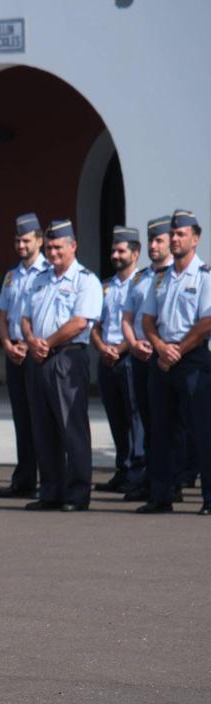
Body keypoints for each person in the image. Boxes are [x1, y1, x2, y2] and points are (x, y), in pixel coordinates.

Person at [21, 220, 102, 512]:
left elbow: (81, 321)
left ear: (73, 246)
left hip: (67, 358)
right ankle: (51, 492)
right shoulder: (40, 279)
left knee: (72, 428)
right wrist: (31, 339)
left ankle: (78, 493)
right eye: (50, 246)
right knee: (43, 428)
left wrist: (48, 342)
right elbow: (25, 316)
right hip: (39, 358)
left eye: (58, 247)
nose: (53, 252)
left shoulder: (86, 280)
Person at [137, 210, 211, 515]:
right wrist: (160, 348)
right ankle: (161, 496)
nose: (176, 239)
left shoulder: (205, 275)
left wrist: (176, 350)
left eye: (181, 234)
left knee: (202, 431)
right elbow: (148, 320)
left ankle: (209, 497)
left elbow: (207, 321)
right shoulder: (159, 279)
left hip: (193, 360)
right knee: (161, 430)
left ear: (195, 239)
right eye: (174, 234)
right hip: (163, 360)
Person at [120, 216, 176, 503]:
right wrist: (131, 343)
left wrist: (158, 346)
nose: (154, 246)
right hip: (140, 356)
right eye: (151, 240)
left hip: (167, 356)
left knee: (171, 425)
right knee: (147, 423)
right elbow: (127, 317)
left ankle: (173, 482)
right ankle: (152, 481)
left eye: (159, 240)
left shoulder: (178, 274)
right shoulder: (141, 278)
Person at [0, 213, 48, 498]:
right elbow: (3, 315)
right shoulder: (12, 276)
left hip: (38, 351)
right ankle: (24, 478)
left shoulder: (48, 272)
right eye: (17, 240)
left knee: (42, 418)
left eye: (26, 240)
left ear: (39, 240)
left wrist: (28, 344)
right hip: (14, 351)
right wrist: (6, 343)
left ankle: (47, 479)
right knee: (21, 418)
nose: (21, 245)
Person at [91, 226, 146, 495]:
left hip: (129, 357)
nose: (115, 254)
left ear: (135, 254)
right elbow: (95, 324)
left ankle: (138, 473)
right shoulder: (105, 287)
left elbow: (141, 325)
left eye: (121, 250)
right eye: (114, 250)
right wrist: (103, 347)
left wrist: (120, 349)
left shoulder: (143, 283)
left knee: (135, 418)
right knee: (115, 418)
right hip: (107, 358)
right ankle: (122, 469)